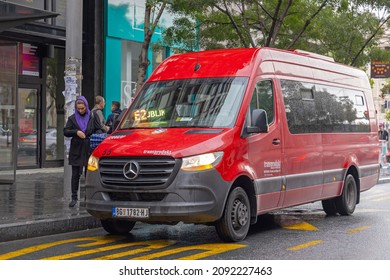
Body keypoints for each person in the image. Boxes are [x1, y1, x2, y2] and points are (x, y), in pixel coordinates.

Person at [63, 96, 96, 207]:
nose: (80, 110)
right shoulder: (72, 118)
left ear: (86, 107)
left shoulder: (91, 117)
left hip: (88, 148)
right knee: (75, 175)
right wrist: (76, 132)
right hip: (76, 149)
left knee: (89, 174)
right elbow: (66, 131)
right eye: (78, 109)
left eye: (82, 108)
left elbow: (97, 129)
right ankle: (74, 198)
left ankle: (87, 198)